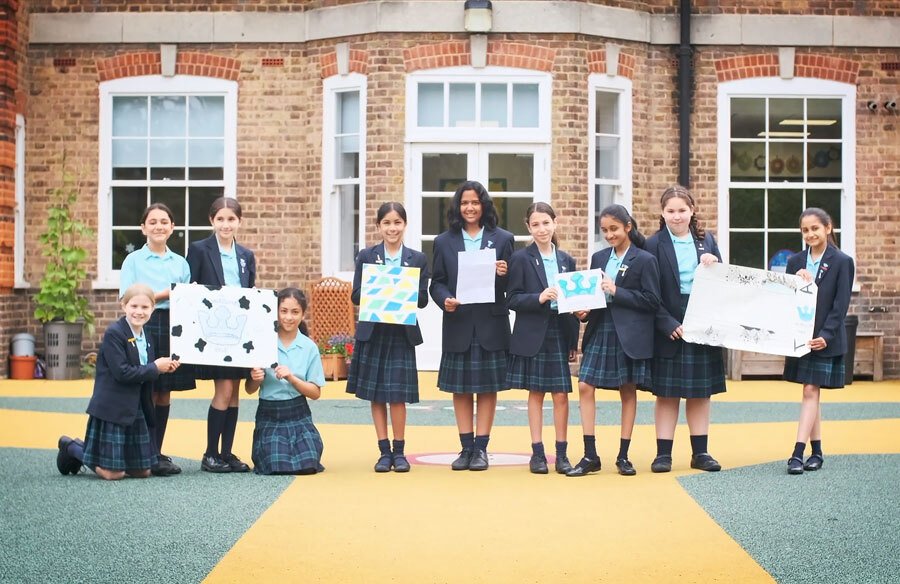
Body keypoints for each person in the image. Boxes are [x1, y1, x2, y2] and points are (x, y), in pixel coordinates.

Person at [569, 204, 660, 477]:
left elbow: (652, 301)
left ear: (628, 227)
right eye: (605, 230)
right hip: (600, 328)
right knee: (585, 385)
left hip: (629, 333)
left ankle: (623, 456)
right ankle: (590, 455)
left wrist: (617, 291)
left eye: (614, 229)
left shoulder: (645, 259)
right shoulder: (598, 258)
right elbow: (593, 298)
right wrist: (582, 311)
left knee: (627, 389)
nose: (609, 235)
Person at [429, 181, 515, 471]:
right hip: (458, 321)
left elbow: (512, 284)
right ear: (457, 206)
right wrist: (444, 300)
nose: (469, 208)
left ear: (484, 205)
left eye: (475, 203)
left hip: (491, 323)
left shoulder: (503, 238)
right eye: (464, 203)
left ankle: (481, 449)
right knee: (461, 389)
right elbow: (437, 282)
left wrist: (505, 273)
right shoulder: (443, 241)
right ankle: (465, 448)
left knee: (488, 389)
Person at [56, 284, 180, 480]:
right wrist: (155, 367)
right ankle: (72, 448)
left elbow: (145, 372)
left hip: (136, 407)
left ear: (153, 309)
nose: (139, 312)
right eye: (134, 306)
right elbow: (122, 372)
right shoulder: (114, 333)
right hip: (112, 408)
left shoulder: (148, 336)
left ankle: (87, 451)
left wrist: (163, 369)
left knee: (143, 472)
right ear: (123, 306)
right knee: (113, 474)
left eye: (145, 307)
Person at [644, 185, 725, 473]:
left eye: (682, 210)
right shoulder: (653, 244)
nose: (677, 216)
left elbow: (723, 279)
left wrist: (714, 263)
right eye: (670, 211)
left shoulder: (707, 240)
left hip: (703, 321)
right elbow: (648, 290)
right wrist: (665, 322)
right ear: (662, 213)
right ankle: (663, 454)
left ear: (692, 211)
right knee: (667, 393)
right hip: (669, 321)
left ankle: (700, 453)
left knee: (700, 392)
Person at [346, 202, 429, 473]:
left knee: (398, 396)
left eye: (397, 223)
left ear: (405, 225)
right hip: (374, 332)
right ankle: (383, 452)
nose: (392, 228)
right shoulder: (366, 256)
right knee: (377, 395)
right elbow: (356, 295)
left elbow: (423, 300)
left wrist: (401, 289)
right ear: (378, 226)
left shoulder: (417, 259)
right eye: (387, 223)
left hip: (401, 334)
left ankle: (400, 452)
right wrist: (381, 286)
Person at [118, 203, 194, 477]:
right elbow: (125, 298)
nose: (159, 226)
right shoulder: (133, 261)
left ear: (172, 227)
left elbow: (186, 298)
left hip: (173, 327)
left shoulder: (180, 263)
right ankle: (142, 451)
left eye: (164, 221)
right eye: (153, 222)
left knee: (164, 391)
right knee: (145, 389)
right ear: (143, 227)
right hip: (142, 325)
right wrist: (162, 295)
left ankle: (157, 452)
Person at [506, 202, 580, 475]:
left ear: (555, 223)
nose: (542, 229)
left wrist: (574, 341)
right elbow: (512, 299)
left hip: (560, 332)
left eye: (546, 223)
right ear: (528, 227)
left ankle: (561, 454)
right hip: (534, 333)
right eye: (535, 224)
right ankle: (537, 453)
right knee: (536, 393)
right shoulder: (521, 259)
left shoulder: (566, 260)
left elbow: (573, 302)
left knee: (561, 395)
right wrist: (538, 297)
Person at [186, 197, 257, 473]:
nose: (226, 224)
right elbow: (191, 288)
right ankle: (210, 453)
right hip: (214, 330)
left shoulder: (246, 255)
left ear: (239, 221)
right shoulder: (199, 249)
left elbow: (250, 293)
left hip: (238, 331)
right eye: (220, 219)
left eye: (231, 219)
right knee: (224, 389)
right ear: (211, 221)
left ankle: (226, 452)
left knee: (236, 392)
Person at [783, 208, 854, 475]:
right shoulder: (794, 263)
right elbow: (787, 299)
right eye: (805, 230)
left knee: (810, 391)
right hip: (800, 339)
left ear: (828, 227)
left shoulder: (842, 261)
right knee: (811, 393)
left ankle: (797, 453)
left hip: (825, 339)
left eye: (815, 228)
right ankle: (818, 453)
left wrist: (826, 335)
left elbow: (840, 304)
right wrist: (798, 283)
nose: (810, 234)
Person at [246, 288, 326, 475]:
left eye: (295, 312)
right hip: (269, 415)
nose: (288, 317)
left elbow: (315, 393)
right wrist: (255, 379)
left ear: (303, 314)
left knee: (308, 463)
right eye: (283, 311)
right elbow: (249, 389)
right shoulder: (263, 342)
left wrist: (292, 378)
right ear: (276, 312)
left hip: (299, 414)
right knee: (276, 464)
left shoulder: (309, 347)